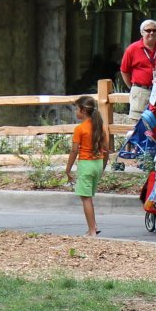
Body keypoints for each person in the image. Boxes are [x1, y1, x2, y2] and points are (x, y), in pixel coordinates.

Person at [64, 95, 110, 236]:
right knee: (89, 197)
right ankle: (93, 225)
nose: (75, 112)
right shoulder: (100, 127)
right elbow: (106, 149)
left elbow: (74, 150)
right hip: (97, 163)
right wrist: (102, 166)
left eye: (77, 109)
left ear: (83, 111)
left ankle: (92, 231)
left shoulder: (80, 129)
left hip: (86, 164)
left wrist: (68, 169)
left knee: (86, 198)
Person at [120, 19, 156, 117]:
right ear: (142, 32)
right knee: (138, 123)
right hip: (140, 91)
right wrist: (133, 86)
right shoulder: (132, 49)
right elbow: (124, 70)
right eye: (148, 30)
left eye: (154, 30)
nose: (151, 33)